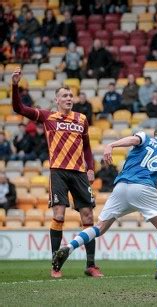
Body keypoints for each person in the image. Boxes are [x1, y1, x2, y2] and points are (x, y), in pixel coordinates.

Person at [53, 126, 157, 280]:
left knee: (100, 227)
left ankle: (69, 247)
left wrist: (111, 145)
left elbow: (133, 140)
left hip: (121, 186)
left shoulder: (145, 137)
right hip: (144, 187)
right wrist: (155, 195)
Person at [11, 68, 102, 278]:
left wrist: (90, 168)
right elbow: (19, 108)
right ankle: (56, 265)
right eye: (65, 96)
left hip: (79, 173)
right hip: (58, 172)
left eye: (71, 95)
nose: (69, 98)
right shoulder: (47, 116)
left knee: (88, 215)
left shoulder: (82, 119)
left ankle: (91, 265)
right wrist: (15, 85)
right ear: (57, 100)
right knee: (59, 214)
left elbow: (87, 148)